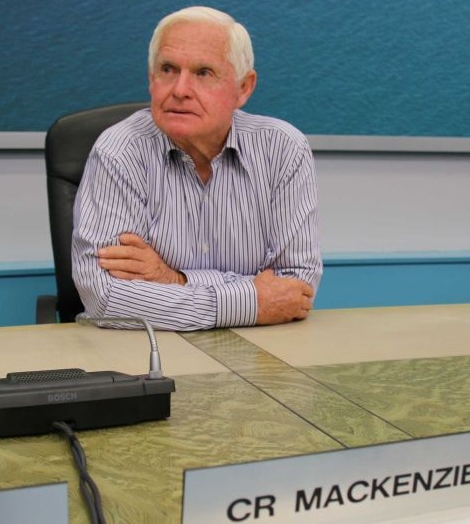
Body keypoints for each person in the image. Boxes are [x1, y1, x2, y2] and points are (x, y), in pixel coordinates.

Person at [72, 6, 322, 330]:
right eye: (168, 69)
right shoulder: (119, 152)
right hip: (144, 354)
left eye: (203, 73)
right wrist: (250, 301)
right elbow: (104, 297)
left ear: (244, 88)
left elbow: (296, 287)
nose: (179, 90)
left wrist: (171, 279)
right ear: (151, 79)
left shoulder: (284, 149)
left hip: (262, 351)